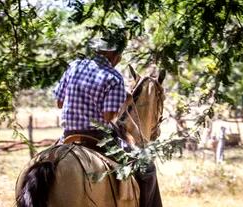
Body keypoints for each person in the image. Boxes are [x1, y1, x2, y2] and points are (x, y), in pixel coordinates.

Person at [53, 31, 163, 207]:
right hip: (98, 138)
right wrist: (122, 101)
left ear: (97, 50)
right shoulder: (113, 77)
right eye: (119, 55)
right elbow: (108, 117)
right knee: (146, 167)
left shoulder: (74, 66)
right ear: (115, 55)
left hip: (67, 136)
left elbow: (59, 102)